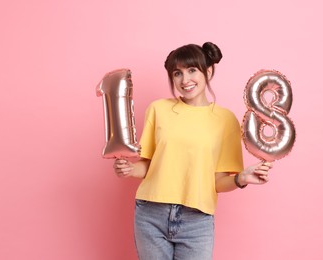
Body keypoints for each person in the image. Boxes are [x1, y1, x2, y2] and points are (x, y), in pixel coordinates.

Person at [113, 42, 272, 260]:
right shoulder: (159, 109)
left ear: (208, 71)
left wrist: (241, 178)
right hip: (151, 214)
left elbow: (218, 182)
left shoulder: (226, 120)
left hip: (196, 221)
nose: (184, 80)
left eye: (192, 70)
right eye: (177, 73)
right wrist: (129, 169)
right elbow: (149, 166)